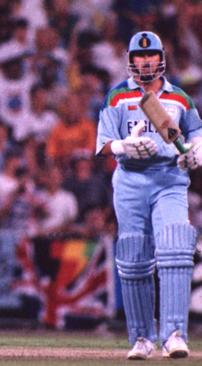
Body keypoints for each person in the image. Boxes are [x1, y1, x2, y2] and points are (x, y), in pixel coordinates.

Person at [96, 31, 202, 360]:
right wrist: (124, 146)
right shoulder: (116, 97)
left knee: (174, 249)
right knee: (134, 259)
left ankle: (174, 335)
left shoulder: (180, 98)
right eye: (139, 56)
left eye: (151, 55)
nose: (145, 61)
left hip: (169, 178)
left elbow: (197, 132)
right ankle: (141, 338)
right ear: (131, 60)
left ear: (161, 58)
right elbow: (103, 144)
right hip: (129, 180)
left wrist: (196, 151)